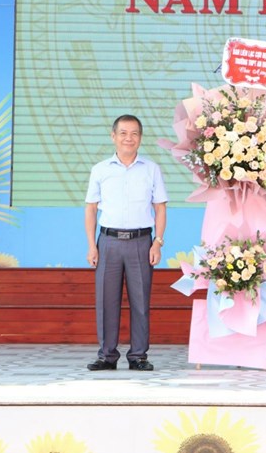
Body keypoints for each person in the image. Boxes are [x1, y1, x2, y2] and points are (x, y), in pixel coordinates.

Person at [84, 115, 167, 371]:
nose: (128, 138)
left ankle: (138, 356)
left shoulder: (151, 169)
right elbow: (91, 209)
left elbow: (160, 208)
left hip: (141, 242)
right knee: (106, 301)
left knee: (140, 301)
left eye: (134, 133)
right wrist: (92, 245)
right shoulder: (100, 170)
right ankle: (107, 356)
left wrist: (157, 242)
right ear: (113, 136)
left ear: (140, 138)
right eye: (123, 133)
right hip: (108, 242)